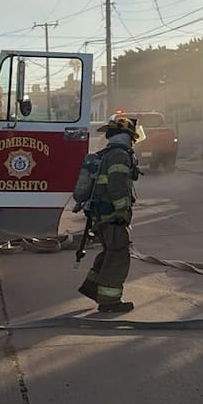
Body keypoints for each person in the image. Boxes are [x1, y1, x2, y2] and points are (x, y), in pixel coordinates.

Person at [77, 113, 140, 314]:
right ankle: (109, 301)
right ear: (126, 136)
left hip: (100, 214)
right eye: (132, 136)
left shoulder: (105, 153)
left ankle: (92, 287)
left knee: (110, 251)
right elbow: (117, 186)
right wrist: (122, 211)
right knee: (119, 255)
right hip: (112, 215)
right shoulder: (120, 155)